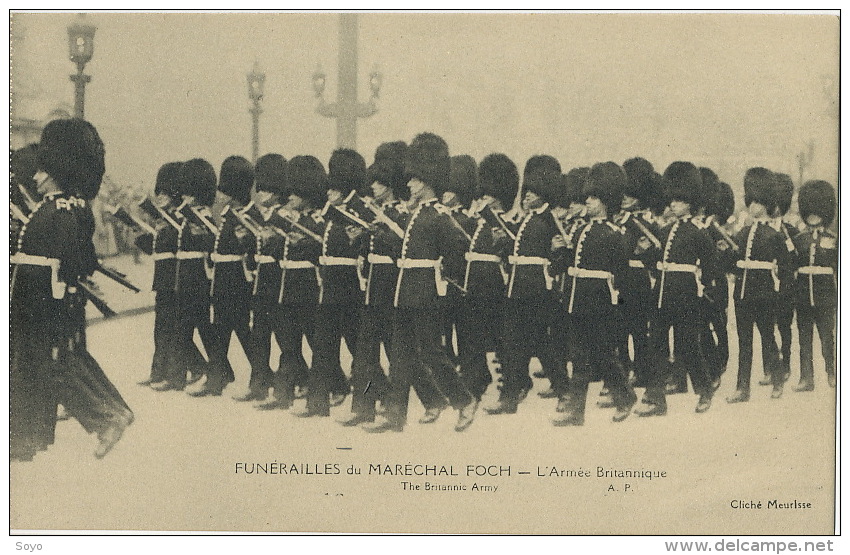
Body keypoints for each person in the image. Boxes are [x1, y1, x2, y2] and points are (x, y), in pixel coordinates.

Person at [12, 118, 133, 461]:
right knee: (46, 366)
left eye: (43, 171)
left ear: (57, 170)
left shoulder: (63, 208)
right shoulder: (58, 207)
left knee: (51, 367)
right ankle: (27, 439)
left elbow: (71, 260)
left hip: (44, 301)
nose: (36, 178)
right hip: (34, 298)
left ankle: (106, 418)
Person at [364, 132, 476, 433]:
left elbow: (458, 250)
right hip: (404, 291)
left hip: (424, 292)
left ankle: (463, 400)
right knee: (400, 358)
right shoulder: (416, 215)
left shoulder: (438, 215)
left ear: (426, 182)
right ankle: (395, 416)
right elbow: (406, 248)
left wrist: (441, 277)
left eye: (413, 180)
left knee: (431, 353)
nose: (409, 184)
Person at [552, 162, 636, 426]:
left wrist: (617, 305)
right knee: (580, 357)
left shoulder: (614, 234)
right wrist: (558, 251)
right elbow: (568, 265)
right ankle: (578, 412)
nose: (587, 201)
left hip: (598, 302)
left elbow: (621, 274)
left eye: (593, 197)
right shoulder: (580, 230)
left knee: (603, 355)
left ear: (606, 201)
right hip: (577, 300)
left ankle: (624, 397)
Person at [636, 161, 716, 416]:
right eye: (672, 200)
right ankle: (656, 399)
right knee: (656, 347)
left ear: (690, 203)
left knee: (689, 346)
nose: (673, 204)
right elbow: (655, 262)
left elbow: (711, 267)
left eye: (679, 200)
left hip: (685, 296)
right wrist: (643, 250)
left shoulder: (698, 232)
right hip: (661, 294)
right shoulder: (665, 230)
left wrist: (703, 293)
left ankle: (704, 390)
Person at [339, 141, 410, 426]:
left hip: (392, 286)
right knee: (366, 352)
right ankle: (364, 406)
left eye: (379, 184)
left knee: (396, 354)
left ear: (391, 186)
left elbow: (402, 247)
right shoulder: (374, 212)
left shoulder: (401, 213)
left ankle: (394, 412)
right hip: (372, 287)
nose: (374, 188)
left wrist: (378, 233)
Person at [485, 155, 561, 415]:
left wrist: (555, 255)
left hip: (535, 290)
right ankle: (509, 397)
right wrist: (502, 243)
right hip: (517, 288)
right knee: (511, 343)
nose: (526, 196)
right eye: (526, 191)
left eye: (533, 192)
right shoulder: (528, 219)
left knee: (541, 344)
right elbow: (516, 250)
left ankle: (564, 390)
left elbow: (560, 255)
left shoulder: (550, 220)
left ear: (544, 194)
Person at [297, 149, 366, 418]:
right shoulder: (332, 212)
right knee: (323, 345)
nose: (329, 192)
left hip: (349, 285)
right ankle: (317, 403)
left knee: (358, 348)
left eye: (334, 188)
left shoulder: (357, 211)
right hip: (329, 284)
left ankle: (376, 393)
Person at [255, 155, 325, 410]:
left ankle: (333, 386)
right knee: (289, 342)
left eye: (296, 193)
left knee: (316, 342)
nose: (290, 197)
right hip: (287, 286)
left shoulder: (315, 221)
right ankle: (283, 394)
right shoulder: (290, 219)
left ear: (307, 194)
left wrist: (302, 244)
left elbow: (320, 251)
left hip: (307, 287)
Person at [454, 153, 518, 407]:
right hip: (474, 284)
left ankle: (510, 389)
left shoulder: (508, 222)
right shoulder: (479, 221)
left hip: (494, 284)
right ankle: (474, 382)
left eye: (489, 194)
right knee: (471, 337)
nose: (484, 199)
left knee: (503, 340)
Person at [192, 156, 257, 398]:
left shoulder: (240, 216)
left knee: (243, 332)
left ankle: (262, 377)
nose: (219, 194)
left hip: (235, 281)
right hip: (223, 280)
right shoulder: (229, 215)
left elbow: (242, 248)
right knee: (220, 332)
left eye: (224, 189)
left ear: (233, 191)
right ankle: (216, 378)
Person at [725, 168, 791, 403]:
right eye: (751, 202)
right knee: (744, 343)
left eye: (758, 203)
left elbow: (785, 269)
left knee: (767, 338)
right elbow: (733, 264)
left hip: (763, 293)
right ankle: (742, 388)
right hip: (741, 293)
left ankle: (777, 379)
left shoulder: (774, 236)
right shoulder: (742, 233)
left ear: (766, 205)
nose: (753, 207)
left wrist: (781, 295)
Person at [154, 159, 218, 393]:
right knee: (187, 329)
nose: (185, 197)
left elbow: (210, 244)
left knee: (202, 330)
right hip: (185, 277)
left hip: (198, 278)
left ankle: (216, 369)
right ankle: (179, 376)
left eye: (190, 193)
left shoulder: (203, 216)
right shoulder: (186, 217)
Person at [239, 153, 288, 402]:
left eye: (267, 189)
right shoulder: (261, 216)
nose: (262, 193)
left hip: (278, 279)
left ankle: (287, 386)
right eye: (261, 189)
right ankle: (258, 383)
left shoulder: (284, 217)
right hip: (261, 280)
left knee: (284, 337)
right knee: (259, 334)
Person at [136, 161, 185, 387]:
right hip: (163, 279)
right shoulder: (164, 220)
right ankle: (158, 372)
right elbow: (157, 250)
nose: (161, 196)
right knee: (160, 328)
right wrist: (141, 236)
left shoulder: (179, 220)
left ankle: (175, 375)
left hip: (176, 278)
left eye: (166, 192)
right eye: (160, 192)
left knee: (173, 329)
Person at [792, 179, 837, 391]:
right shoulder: (799, 239)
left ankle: (833, 371)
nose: (813, 215)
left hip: (826, 296)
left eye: (817, 211)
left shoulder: (834, 240)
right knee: (804, 339)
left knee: (828, 336)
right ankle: (806, 378)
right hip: (802, 295)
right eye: (809, 211)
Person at [766, 173, 799, 386]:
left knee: (784, 326)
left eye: (780, 205)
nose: (776, 209)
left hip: (786, 283)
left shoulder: (792, 231)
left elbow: (796, 257)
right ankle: (770, 368)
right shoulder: (761, 229)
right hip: (765, 283)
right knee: (767, 326)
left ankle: (785, 364)